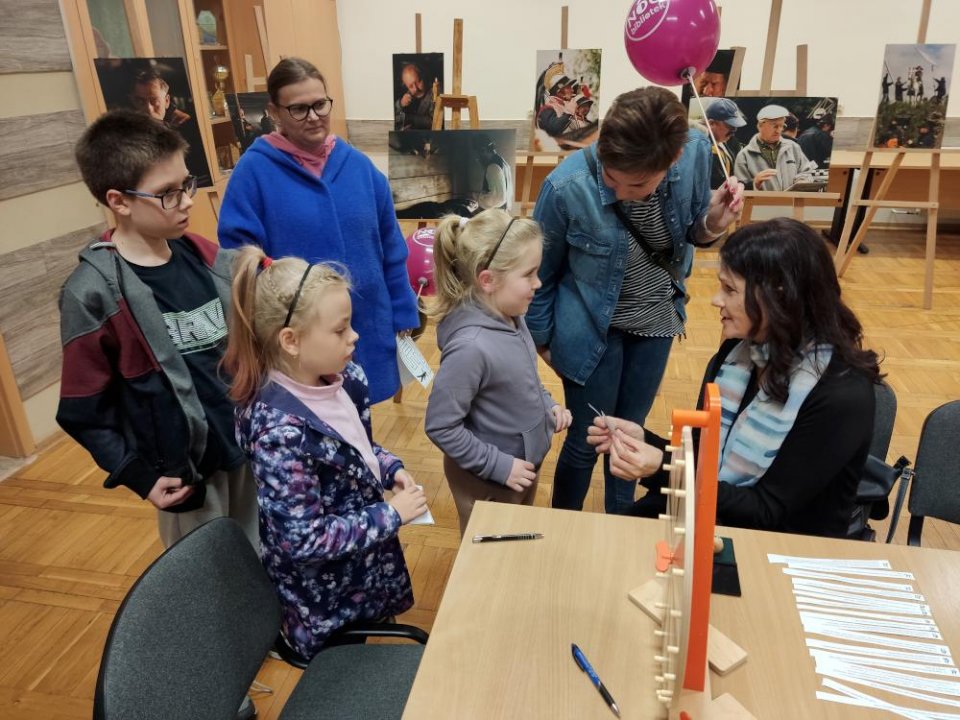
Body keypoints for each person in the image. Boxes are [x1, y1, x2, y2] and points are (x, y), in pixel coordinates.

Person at [587, 218, 880, 537]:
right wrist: (644, 441)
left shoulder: (842, 394)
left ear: (778, 296)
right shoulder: (736, 356)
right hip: (717, 523)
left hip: (783, 550)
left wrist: (662, 468)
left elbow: (768, 510)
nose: (716, 300)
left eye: (729, 289)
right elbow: (703, 458)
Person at [527, 87, 744, 515]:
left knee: (630, 437)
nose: (622, 192)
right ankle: (564, 525)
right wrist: (544, 343)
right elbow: (540, 273)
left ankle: (620, 525)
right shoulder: (566, 185)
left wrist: (714, 223)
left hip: (656, 322)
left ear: (673, 159)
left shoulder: (697, 151)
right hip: (589, 330)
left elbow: (691, 234)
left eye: (640, 184)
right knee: (587, 437)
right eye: (611, 179)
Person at [58, 109, 257, 550]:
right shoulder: (94, 294)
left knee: (261, 559)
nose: (187, 200)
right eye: (167, 193)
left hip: (246, 450)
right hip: (186, 477)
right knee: (210, 582)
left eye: (186, 183)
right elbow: (81, 410)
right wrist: (139, 474)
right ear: (119, 201)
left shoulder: (204, 256)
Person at [225, 248, 428, 660]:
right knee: (342, 662)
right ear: (291, 341)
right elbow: (304, 539)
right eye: (340, 330)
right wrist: (391, 515)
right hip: (326, 593)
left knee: (368, 641)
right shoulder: (279, 435)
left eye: (350, 324)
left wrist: (390, 469)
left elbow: (357, 447)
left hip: (363, 560)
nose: (354, 337)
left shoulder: (346, 378)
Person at [218, 57, 419, 404]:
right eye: (298, 108)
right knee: (315, 427)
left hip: (367, 324)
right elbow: (240, 261)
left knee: (360, 415)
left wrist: (402, 310)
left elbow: (391, 245)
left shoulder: (358, 166)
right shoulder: (254, 172)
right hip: (298, 339)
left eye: (320, 104)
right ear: (274, 111)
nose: (313, 116)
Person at [424, 210, 572, 534]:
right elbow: (440, 426)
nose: (539, 283)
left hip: (520, 467)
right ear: (488, 280)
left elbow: (523, 380)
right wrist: (498, 466)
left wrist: (549, 406)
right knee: (487, 559)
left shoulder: (512, 315)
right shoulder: (471, 347)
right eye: (529, 274)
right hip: (488, 479)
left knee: (513, 542)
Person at [734, 104, 817, 191]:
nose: (779, 131)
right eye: (775, 126)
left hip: (791, 203)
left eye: (782, 126)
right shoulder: (744, 156)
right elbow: (739, 191)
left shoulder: (793, 147)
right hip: (761, 204)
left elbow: (807, 171)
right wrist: (755, 184)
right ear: (760, 126)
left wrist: (803, 180)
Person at [697, 97, 746, 189]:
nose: (734, 131)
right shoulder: (700, 147)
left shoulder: (722, 141)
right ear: (711, 123)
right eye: (730, 126)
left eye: (735, 126)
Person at [474, 137, 512, 211]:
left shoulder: (493, 167)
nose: (478, 157)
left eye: (479, 153)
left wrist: (477, 197)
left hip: (495, 212)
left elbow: (497, 198)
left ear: (483, 150)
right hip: (502, 211)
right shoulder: (503, 162)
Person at [394, 62, 436, 130]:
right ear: (406, 87)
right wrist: (401, 104)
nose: (416, 89)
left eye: (418, 81)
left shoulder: (434, 93)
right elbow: (394, 115)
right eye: (410, 86)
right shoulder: (407, 95)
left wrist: (410, 119)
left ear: (423, 76)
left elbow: (434, 121)